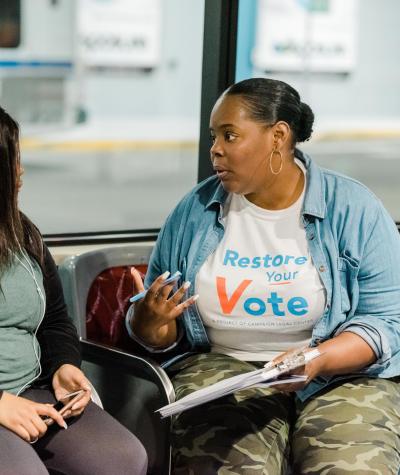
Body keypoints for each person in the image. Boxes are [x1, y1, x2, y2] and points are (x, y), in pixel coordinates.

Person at [126, 78, 400, 474]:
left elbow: (386, 324)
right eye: (213, 137)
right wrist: (151, 323)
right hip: (225, 369)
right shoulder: (194, 211)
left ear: (278, 137)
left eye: (230, 135)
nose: (215, 150)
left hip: (340, 374)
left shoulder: (355, 210)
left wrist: (317, 360)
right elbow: (161, 336)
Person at [0, 106, 148, 475]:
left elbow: (54, 321)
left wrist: (63, 365)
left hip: (30, 390)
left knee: (124, 459)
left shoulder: (23, 234)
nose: (21, 172)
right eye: (13, 160)